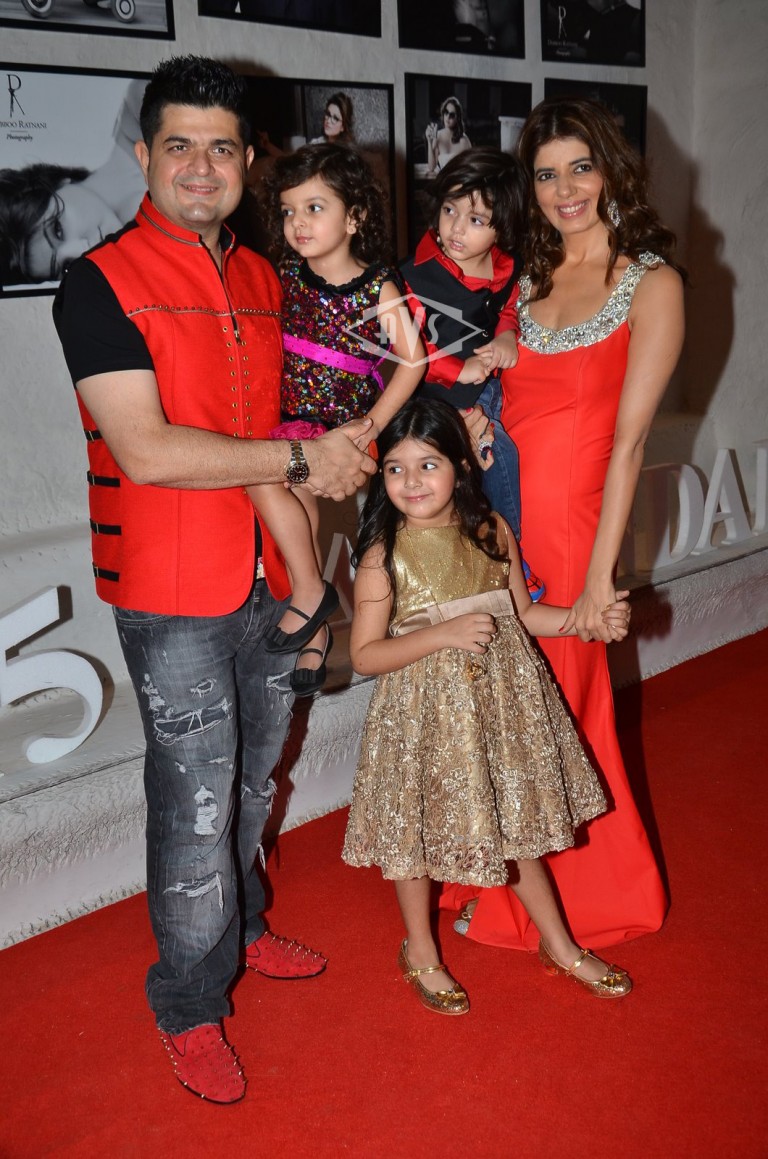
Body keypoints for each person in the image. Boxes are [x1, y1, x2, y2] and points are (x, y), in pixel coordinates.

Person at [52, 55, 376, 1105]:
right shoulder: (97, 281)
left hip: (274, 579)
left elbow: (303, 417)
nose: (201, 166)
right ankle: (190, 1000)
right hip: (170, 591)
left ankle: (241, 926)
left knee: (252, 782)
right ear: (143, 155)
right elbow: (146, 450)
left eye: (222, 147)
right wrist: (303, 461)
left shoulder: (263, 278)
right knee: (195, 801)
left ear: (248, 161)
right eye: (179, 145)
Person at [443, 96, 685, 952]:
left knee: (563, 713)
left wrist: (598, 582)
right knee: (501, 703)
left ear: (612, 169)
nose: (565, 189)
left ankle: (572, 897)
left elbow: (630, 444)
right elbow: (501, 406)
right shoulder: (527, 280)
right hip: (500, 522)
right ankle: (494, 870)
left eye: (581, 167)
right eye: (546, 175)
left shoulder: (651, 284)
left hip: (576, 532)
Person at [342, 398, 634, 1013]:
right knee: (414, 834)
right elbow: (364, 655)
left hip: (501, 708)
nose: (411, 481)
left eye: (428, 464)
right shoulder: (382, 553)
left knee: (516, 824)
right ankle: (421, 948)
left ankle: (559, 944)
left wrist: (587, 622)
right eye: (395, 468)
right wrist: (441, 634)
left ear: (461, 466)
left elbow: (524, 615)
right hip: (423, 714)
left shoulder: (491, 530)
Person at [251, 143, 424, 695]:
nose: (298, 223)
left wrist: (370, 425)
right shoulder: (284, 275)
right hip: (291, 424)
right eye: (288, 211)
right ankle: (314, 614)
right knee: (275, 490)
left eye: (314, 208)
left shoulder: (377, 284)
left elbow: (414, 359)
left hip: (348, 429)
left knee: (286, 490)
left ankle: (312, 604)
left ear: (355, 217)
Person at [400, 147, 545, 599]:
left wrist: (506, 336)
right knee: (497, 454)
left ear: (504, 225)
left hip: (489, 395)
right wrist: (456, 369)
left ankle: (488, 557)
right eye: (450, 210)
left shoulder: (506, 267)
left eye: (477, 219)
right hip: (434, 401)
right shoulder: (415, 275)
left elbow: (509, 309)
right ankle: (507, 556)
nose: (457, 228)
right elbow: (402, 345)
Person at [0, 78, 146, 287]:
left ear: (58, 181)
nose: (81, 251)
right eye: (66, 266)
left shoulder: (138, 113)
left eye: (57, 229)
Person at [425, 96, 471, 175]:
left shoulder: (464, 140)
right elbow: (431, 167)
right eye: (446, 112)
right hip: (444, 179)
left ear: (457, 118)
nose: (448, 117)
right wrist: (429, 141)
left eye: (452, 115)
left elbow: (470, 167)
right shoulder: (438, 136)